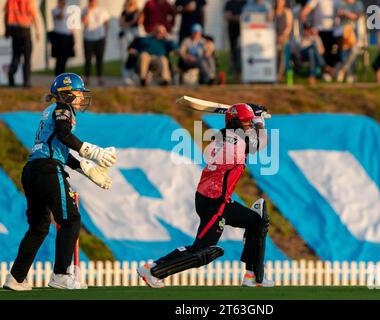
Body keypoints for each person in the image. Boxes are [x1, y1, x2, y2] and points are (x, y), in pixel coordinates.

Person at [136, 103, 274, 288]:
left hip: (216, 198)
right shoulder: (236, 144)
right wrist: (259, 122)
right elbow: (259, 144)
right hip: (214, 202)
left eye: (248, 124)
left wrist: (249, 115)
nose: (248, 127)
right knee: (202, 251)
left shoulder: (225, 135)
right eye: (245, 123)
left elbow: (246, 135)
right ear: (236, 124)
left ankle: (253, 276)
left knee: (256, 221)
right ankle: (153, 270)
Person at [2, 73, 116, 291]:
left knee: (39, 227)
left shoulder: (51, 112)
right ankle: (61, 275)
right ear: (67, 94)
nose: (82, 97)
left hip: (33, 170)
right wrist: (90, 151)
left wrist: (85, 168)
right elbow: (64, 135)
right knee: (71, 220)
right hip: (48, 169)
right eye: (79, 93)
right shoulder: (63, 109)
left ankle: (16, 277)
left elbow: (59, 146)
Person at [4, 0, 40, 88]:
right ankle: (26, 82)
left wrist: (7, 29)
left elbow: (6, 14)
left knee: (16, 55)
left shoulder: (10, 1)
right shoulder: (29, 1)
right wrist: (37, 31)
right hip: (25, 30)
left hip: (14, 30)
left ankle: (11, 73)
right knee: (27, 57)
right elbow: (34, 16)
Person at [299, 0, 337, 82]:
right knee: (312, 50)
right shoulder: (305, 34)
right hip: (320, 29)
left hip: (331, 29)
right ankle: (324, 67)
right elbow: (306, 10)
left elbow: (321, 50)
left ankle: (320, 73)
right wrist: (305, 24)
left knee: (323, 51)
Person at [334, 0, 364, 83]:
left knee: (353, 51)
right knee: (344, 52)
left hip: (355, 32)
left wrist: (346, 13)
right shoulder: (341, 3)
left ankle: (343, 71)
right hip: (343, 32)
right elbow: (338, 14)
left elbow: (356, 16)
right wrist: (347, 14)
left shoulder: (358, 3)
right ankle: (348, 74)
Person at [82, 0, 110, 86]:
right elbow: (84, 22)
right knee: (88, 60)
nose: (93, 2)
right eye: (91, 1)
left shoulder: (103, 11)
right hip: (88, 38)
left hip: (100, 38)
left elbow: (106, 23)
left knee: (100, 59)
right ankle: (87, 78)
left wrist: (105, 34)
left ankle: (100, 79)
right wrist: (89, 11)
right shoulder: (84, 10)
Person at [50, 0, 75, 76]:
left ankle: (62, 73)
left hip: (67, 36)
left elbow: (71, 25)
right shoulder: (55, 10)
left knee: (65, 57)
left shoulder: (69, 11)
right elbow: (60, 17)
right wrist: (61, 8)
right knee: (59, 57)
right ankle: (58, 74)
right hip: (58, 36)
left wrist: (73, 37)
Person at [119, 0, 140, 86]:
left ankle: (132, 75)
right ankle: (125, 76)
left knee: (134, 55)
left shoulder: (138, 11)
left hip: (134, 35)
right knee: (126, 55)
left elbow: (137, 21)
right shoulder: (124, 12)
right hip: (126, 35)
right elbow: (121, 23)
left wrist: (127, 23)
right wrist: (129, 23)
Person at [224, 0, 247, 79]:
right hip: (232, 30)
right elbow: (227, 16)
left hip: (244, 31)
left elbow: (247, 16)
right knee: (233, 51)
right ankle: (234, 72)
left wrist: (235, 17)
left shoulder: (246, 3)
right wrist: (238, 17)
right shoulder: (229, 3)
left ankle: (242, 72)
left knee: (242, 51)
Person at [274, 0, 293, 82]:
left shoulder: (287, 12)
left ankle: (280, 74)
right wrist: (275, 36)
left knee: (283, 55)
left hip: (284, 37)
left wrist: (282, 36)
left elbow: (289, 26)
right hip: (274, 38)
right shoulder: (273, 11)